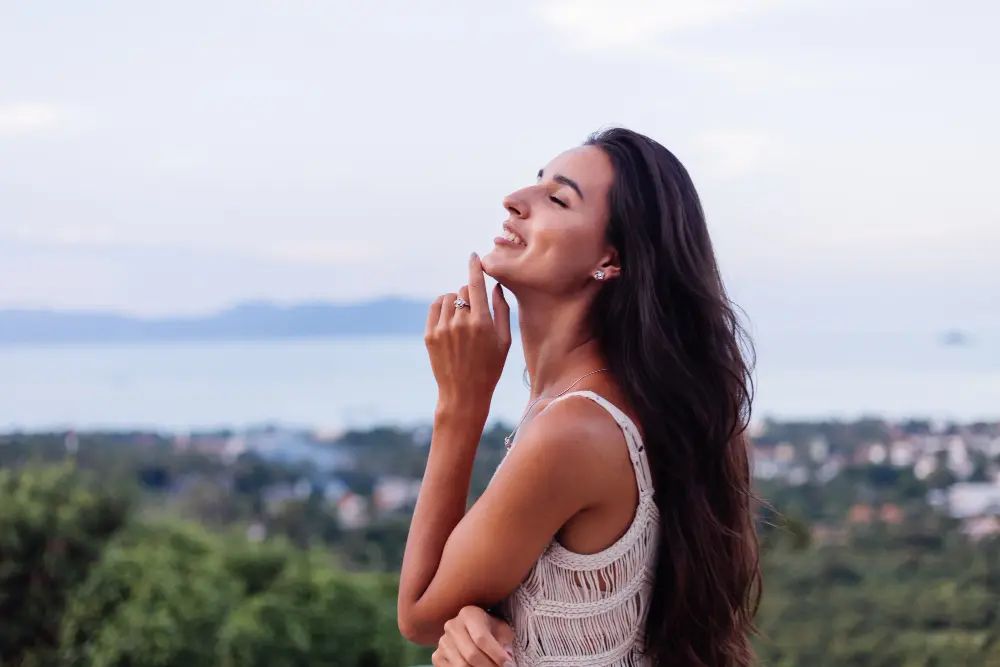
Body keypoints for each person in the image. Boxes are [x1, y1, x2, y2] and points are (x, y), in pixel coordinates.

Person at [397, 127, 760, 667]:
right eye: (537, 181)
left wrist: (461, 404)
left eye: (557, 198)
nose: (515, 201)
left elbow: (420, 613)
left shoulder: (576, 429)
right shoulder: (605, 402)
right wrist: (478, 626)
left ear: (611, 260)